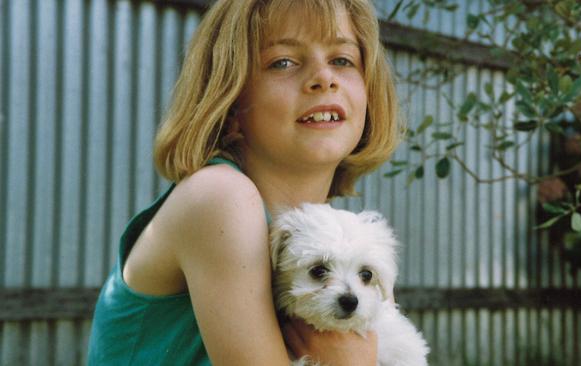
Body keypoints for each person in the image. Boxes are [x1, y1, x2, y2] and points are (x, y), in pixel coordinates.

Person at [87, 0, 402, 364]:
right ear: (230, 99)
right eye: (283, 62)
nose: (324, 77)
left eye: (342, 60)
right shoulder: (221, 197)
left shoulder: (342, 243)